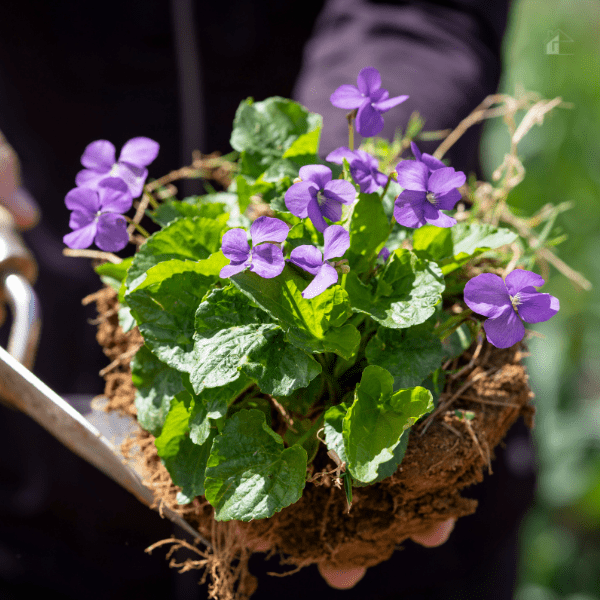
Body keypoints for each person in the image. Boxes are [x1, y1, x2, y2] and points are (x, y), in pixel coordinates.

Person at [0, 1, 536, 598]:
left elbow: (418, 13)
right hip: (54, 431)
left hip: (373, 544)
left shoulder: (333, 224)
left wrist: (340, 179)